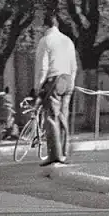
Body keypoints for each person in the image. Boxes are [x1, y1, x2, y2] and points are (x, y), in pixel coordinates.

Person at [34, 16, 78, 167]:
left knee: (51, 117)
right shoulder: (68, 40)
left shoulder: (45, 41)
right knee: (63, 116)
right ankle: (64, 153)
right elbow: (74, 65)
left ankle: (55, 155)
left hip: (54, 79)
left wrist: (38, 87)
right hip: (67, 79)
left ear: (44, 25)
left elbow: (42, 67)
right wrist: (71, 81)